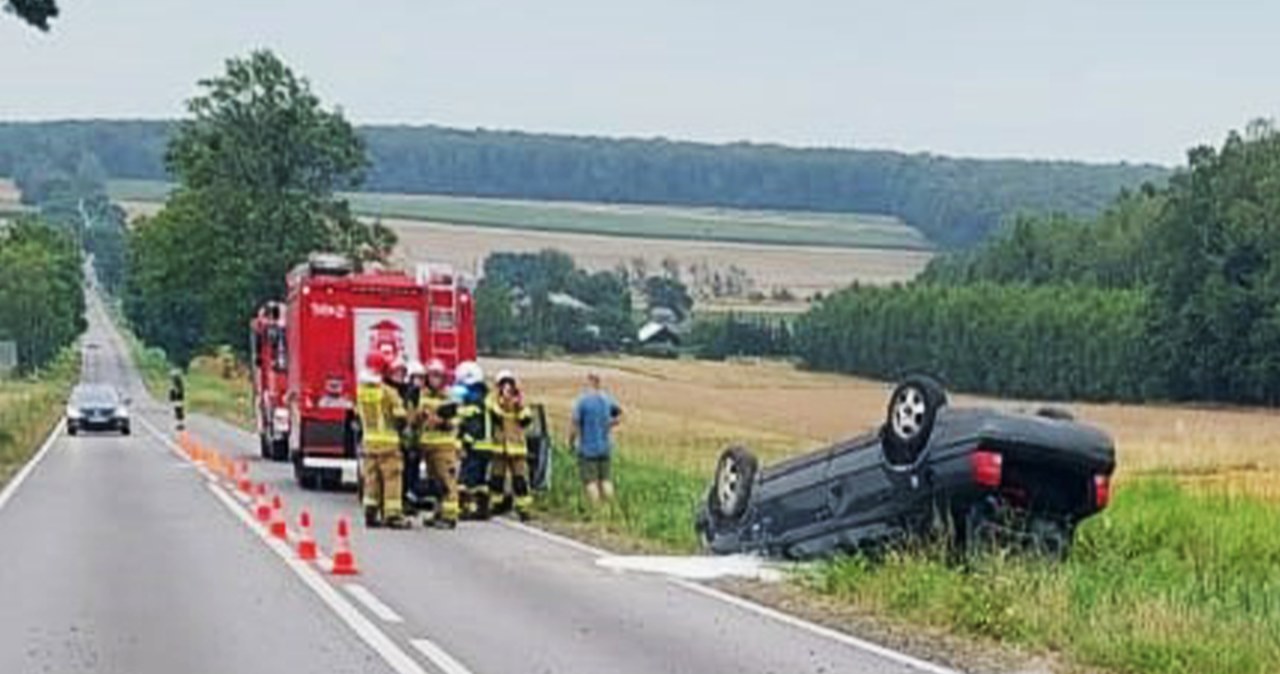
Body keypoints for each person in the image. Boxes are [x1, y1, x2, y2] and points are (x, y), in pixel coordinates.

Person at [356, 355, 410, 529]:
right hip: (388, 443)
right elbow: (400, 417)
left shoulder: (360, 390)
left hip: (369, 443)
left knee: (371, 478)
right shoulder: (388, 392)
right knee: (391, 478)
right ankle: (393, 514)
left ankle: (370, 510)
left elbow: (357, 414)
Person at [416, 359, 462, 528]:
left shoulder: (449, 397)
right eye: (432, 376)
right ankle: (438, 512)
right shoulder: (421, 395)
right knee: (435, 483)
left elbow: (457, 421)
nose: (435, 379)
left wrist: (442, 422)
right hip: (428, 447)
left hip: (445, 447)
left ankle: (450, 516)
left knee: (447, 480)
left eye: (438, 376)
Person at [488, 369, 534, 521]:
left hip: (517, 448)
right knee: (497, 479)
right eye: (504, 385)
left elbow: (526, 419)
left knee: (520, 480)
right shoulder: (493, 400)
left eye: (510, 385)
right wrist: (504, 402)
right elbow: (495, 415)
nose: (507, 389)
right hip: (499, 448)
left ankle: (524, 509)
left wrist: (518, 405)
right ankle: (496, 505)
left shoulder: (520, 402)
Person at [570, 372, 622, 503]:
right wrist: (610, 423)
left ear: (591, 382)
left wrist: (571, 442)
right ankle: (610, 508)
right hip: (605, 447)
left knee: (590, 482)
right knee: (606, 480)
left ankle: (597, 511)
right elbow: (619, 415)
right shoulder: (607, 399)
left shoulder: (582, 401)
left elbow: (575, 425)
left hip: (588, 449)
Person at [455, 360, 497, 520]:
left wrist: (464, 443)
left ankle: (467, 508)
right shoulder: (485, 398)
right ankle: (482, 508)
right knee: (481, 481)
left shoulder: (473, 400)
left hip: (475, 446)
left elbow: (473, 426)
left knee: (467, 480)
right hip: (487, 447)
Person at [400, 360, 427, 513]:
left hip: (418, 441)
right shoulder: (409, 395)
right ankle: (405, 500)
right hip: (408, 441)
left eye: (422, 378)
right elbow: (409, 419)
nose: (419, 381)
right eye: (416, 378)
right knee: (407, 472)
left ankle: (410, 499)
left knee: (413, 472)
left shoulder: (421, 395)